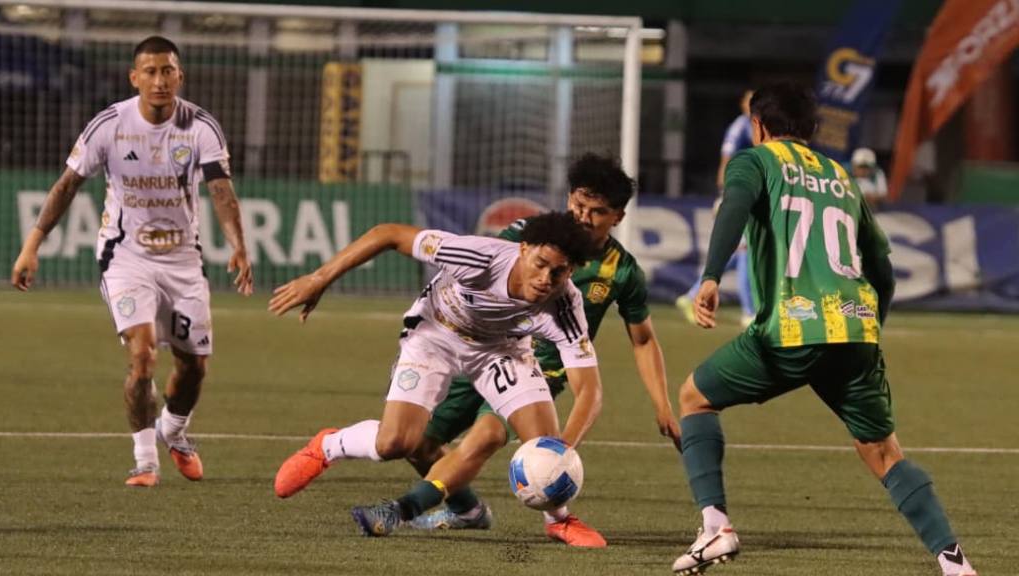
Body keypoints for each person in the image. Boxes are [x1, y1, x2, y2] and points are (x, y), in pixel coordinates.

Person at [670, 82, 977, 576]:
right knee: (883, 451)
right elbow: (882, 267)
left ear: (757, 126)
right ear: (811, 129)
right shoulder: (841, 176)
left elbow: (735, 205)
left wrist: (710, 276)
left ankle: (716, 527)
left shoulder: (755, 161)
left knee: (694, 397)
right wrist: (872, 327)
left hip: (791, 330)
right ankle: (955, 563)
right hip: (855, 330)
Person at [388, 154, 679, 547]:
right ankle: (467, 511)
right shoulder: (528, 235)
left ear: (618, 217)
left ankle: (399, 511)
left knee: (488, 434)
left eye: (597, 211)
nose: (583, 217)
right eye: (578, 204)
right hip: (481, 351)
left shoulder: (622, 271)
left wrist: (662, 405)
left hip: (539, 372)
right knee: (418, 445)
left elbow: (642, 339)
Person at [268, 212, 606, 537]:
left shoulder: (566, 305)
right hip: (436, 335)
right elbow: (388, 234)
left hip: (502, 348)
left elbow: (589, 391)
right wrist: (319, 279)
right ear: (523, 249)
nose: (546, 278)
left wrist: (560, 453)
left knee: (543, 442)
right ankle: (329, 446)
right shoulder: (478, 257)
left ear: (571, 270)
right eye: (540, 264)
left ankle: (558, 521)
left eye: (558, 272)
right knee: (395, 444)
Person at [10, 36, 253, 487]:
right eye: (151, 72)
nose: (160, 81)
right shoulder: (110, 125)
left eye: (168, 71)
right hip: (125, 257)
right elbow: (66, 186)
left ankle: (173, 431)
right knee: (142, 356)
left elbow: (221, 190)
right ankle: (145, 460)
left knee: (194, 367)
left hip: (183, 261)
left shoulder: (200, 127)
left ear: (180, 76)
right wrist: (32, 245)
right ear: (134, 77)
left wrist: (238, 244)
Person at [676, 90, 755, 328]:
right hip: (737, 194)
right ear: (742, 104)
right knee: (745, 251)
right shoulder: (739, 127)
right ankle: (749, 311)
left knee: (738, 253)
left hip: (748, 193)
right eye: (749, 101)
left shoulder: (754, 126)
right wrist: (724, 194)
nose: (752, 105)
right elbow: (726, 160)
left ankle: (691, 294)